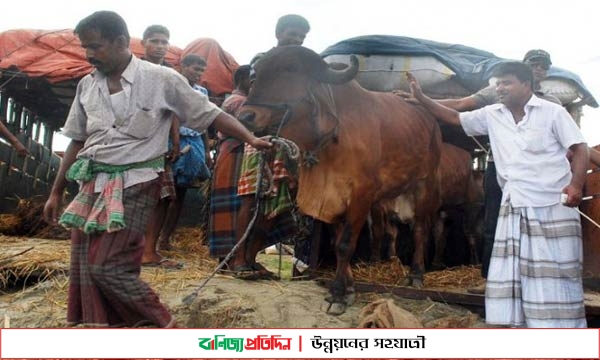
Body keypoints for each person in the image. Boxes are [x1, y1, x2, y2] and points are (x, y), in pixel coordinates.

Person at [42, 10, 271, 328]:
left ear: (121, 41)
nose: (89, 54)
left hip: (137, 180)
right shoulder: (86, 85)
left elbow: (209, 114)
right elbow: (77, 141)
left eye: (95, 46)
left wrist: (250, 137)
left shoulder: (161, 79)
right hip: (91, 183)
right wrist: (55, 192)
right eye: (85, 47)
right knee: (84, 267)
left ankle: (165, 327)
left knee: (108, 267)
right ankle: (109, 327)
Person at [408, 61, 588, 328]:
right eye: (497, 83)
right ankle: (517, 327)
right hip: (514, 204)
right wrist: (422, 99)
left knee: (554, 272)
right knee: (513, 273)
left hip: (551, 204)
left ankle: (558, 330)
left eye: (507, 82)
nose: (500, 88)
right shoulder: (492, 114)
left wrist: (575, 186)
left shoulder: (552, 112)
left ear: (526, 84)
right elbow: (454, 117)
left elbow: (580, 148)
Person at [398, 49, 560, 294]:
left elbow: (569, 142)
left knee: (539, 224)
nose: (539, 69)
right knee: (493, 223)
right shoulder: (495, 100)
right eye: (533, 64)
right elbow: (460, 107)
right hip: (500, 169)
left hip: (540, 174)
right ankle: (490, 278)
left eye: (543, 66)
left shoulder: (553, 104)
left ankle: (536, 279)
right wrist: (421, 99)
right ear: (524, 68)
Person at [208, 14, 309, 276]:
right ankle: (239, 260)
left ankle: (250, 258)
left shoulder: (298, 69)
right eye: (292, 33)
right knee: (249, 202)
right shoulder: (265, 65)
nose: (296, 39)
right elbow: (251, 115)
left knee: (270, 205)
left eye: (301, 36)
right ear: (278, 34)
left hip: (277, 145)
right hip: (254, 143)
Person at [155, 54, 213, 252]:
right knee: (163, 192)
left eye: (201, 70)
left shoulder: (201, 91)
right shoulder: (173, 85)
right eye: (195, 68)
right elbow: (171, 115)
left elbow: (204, 121)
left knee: (181, 192)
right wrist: (176, 142)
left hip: (194, 141)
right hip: (172, 141)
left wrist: (206, 151)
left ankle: (165, 238)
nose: (198, 73)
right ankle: (152, 238)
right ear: (184, 67)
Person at [138, 24, 182, 267]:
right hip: (134, 144)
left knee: (163, 196)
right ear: (143, 43)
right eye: (155, 41)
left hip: (160, 145)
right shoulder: (134, 71)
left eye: (165, 42)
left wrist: (175, 139)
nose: (161, 46)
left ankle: (149, 251)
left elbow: (173, 110)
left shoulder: (170, 74)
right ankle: (131, 250)